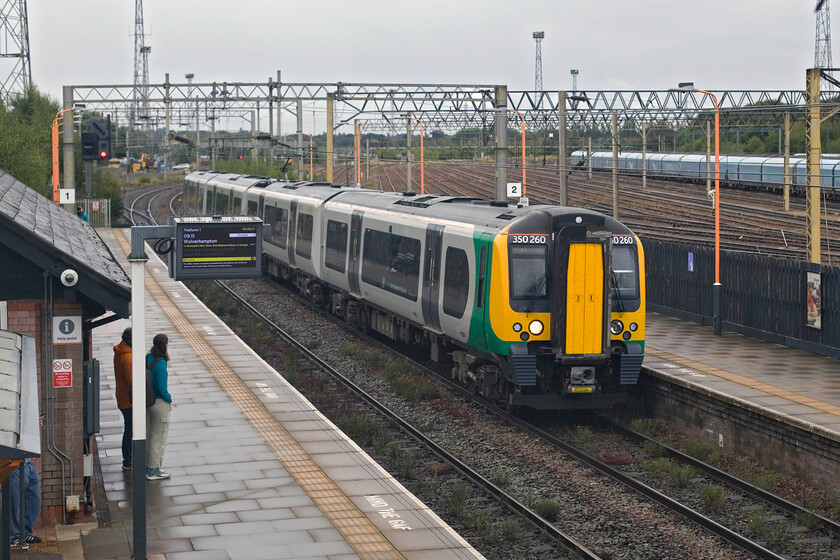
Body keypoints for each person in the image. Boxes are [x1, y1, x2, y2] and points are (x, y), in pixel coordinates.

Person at [146, 333, 172, 480]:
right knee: (158, 437)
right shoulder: (161, 363)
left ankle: (146, 466)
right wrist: (169, 399)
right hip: (159, 403)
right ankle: (154, 469)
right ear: (165, 345)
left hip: (147, 402)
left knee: (149, 435)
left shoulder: (147, 358)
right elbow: (162, 388)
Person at [9, 459, 41, 547]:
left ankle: (25, 532)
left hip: (28, 462)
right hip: (14, 463)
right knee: (14, 503)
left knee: (33, 501)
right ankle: (13, 536)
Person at [113, 327, 133, 470]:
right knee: (130, 429)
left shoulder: (120, 352)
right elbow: (132, 381)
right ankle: (128, 460)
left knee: (129, 428)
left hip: (122, 396)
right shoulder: (128, 358)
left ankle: (128, 458)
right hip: (129, 399)